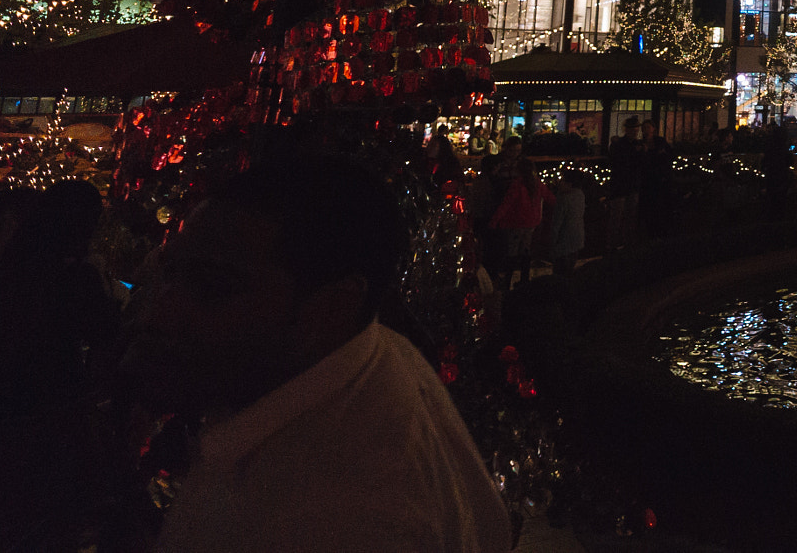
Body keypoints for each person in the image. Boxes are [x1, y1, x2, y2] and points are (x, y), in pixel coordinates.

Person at [122, 156, 512, 552]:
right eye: (169, 274)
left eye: (212, 286)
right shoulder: (373, 358)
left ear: (332, 309)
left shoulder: (348, 516)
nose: (161, 311)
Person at [487, 156, 553, 288]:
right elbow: (550, 199)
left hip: (516, 223)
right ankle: (524, 279)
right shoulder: (537, 184)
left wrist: (494, 221)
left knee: (512, 251)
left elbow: (506, 204)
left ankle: (508, 281)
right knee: (525, 250)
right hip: (532, 223)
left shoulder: (517, 185)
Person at [549, 171, 587, 277]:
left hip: (564, 243)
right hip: (577, 239)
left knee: (560, 274)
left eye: (562, 180)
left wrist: (552, 243)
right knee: (569, 272)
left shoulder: (563, 198)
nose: (560, 182)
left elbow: (557, 223)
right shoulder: (580, 195)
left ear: (569, 184)